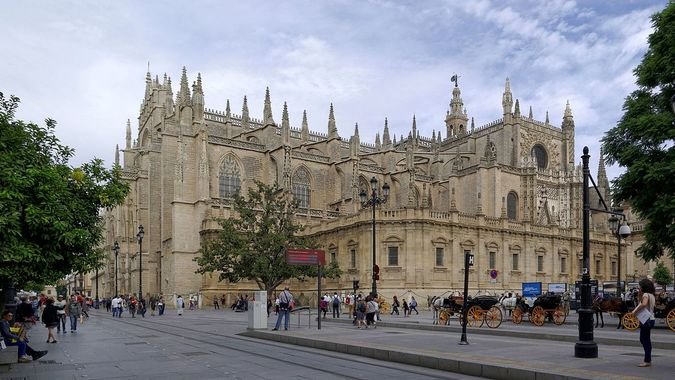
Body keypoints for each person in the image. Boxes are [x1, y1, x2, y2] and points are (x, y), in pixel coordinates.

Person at [632, 278, 656, 367]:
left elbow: (644, 304)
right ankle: (648, 359)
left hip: (646, 320)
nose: (639, 287)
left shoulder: (646, 294)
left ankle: (647, 360)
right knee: (646, 339)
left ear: (644, 287)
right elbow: (643, 303)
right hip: (651, 319)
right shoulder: (651, 295)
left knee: (644, 339)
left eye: (640, 286)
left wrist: (635, 312)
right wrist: (639, 296)